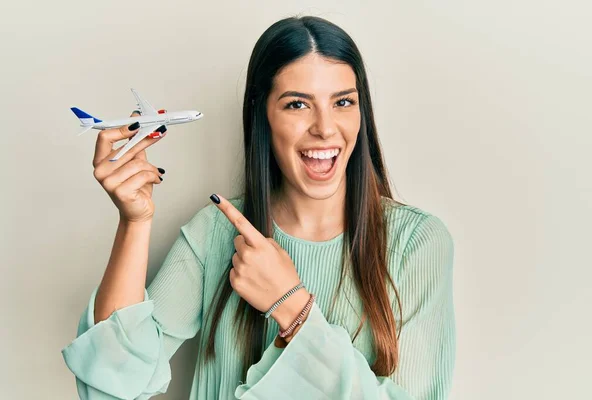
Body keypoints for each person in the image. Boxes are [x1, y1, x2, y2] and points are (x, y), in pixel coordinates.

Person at [61, 15, 456, 400]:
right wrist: (134, 221)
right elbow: (110, 387)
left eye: (343, 102)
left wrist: (293, 307)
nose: (324, 127)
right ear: (262, 115)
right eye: (297, 105)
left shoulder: (417, 242)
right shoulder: (213, 233)